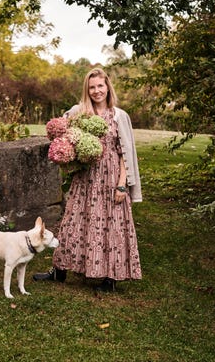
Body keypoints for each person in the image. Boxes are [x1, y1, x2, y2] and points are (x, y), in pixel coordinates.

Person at [33, 67, 142, 292]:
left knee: (111, 226)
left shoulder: (119, 116)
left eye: (100, 86)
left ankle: (110, 279)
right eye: (92, 87)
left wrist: (122, 184)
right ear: (87, 89)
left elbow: (125, 154)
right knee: (73, 223)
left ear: (108, 87)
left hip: (111, 177)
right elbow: (60, 134)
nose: (96, 91)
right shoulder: (78, 112)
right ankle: (59, 271)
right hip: (85, 178)